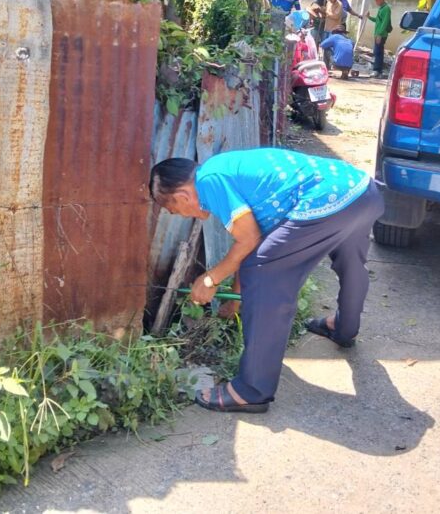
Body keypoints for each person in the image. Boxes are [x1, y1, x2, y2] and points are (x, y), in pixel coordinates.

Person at [149, 149, 384, 413]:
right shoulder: (223, 170)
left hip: (326, 201)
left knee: (264, 273)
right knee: (350, 262)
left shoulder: (208, 182)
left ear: (183, 196)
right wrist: (235, 302)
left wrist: (210, 280)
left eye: (174, 210)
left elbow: (250, 242)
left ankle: (251, 390)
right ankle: (344, 328)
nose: (181, 215)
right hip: (362, 191)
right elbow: (252, 241)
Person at [366, 0, 393, 78]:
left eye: (377, 0)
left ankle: (377, 70)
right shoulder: (381, 8)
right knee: (377, 52)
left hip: (381, 34)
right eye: (376, 0)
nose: (376, 2)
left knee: (378, 52)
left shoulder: (386, 9)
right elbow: (378, 20)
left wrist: (380, 34)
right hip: (377, 33)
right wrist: (369, 17)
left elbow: (385, 22)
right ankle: (378, 70)